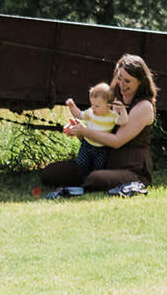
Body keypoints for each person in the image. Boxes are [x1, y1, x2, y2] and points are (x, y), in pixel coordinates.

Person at [37, 54, 157, 195]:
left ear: (140, 82)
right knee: (50, 173)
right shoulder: (112, 100)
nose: (122, 84)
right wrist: (79, 131)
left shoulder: (143, 107)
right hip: (100, 162)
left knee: (95, 178)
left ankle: (80, 186)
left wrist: (86, 131)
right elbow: (97, 135)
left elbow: (117, 141)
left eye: (127, 81)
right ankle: (83, 183)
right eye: (119, 78)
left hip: (131, 170)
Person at [68, 81, 118, 177]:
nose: (93, 108)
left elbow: (123, 121)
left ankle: (93, 181)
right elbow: (79, 115)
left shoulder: (113, 116)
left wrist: (123, 111)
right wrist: (72, 106)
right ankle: (84, 180)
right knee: (81, 164)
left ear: (108, 106)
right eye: (92, 104)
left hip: (102, 148)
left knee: (98, 168)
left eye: (97, 106)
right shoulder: (90, 113)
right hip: (87, 145)